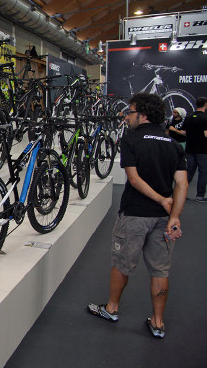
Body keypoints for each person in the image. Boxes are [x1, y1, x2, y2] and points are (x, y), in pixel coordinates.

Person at [88, 93, 188, 339]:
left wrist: (161, 199)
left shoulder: (131, 139)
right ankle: (158, 322)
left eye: (130, 112)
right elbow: (182, 184)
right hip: (163, 219)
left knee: (122, 264)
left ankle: (112, 308)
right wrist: (174, 215)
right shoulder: (173, 144)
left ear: (142, 115)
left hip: (134, 214)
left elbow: (133, 179)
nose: (126, 117)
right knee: (160, 270)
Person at [179, 97, 207, 201]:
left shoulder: (189, 117)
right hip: (203, 150)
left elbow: (183, 132)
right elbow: (206, 134)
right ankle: (200, 195)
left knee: (189, 172)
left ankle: (181, 194)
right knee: (203, 172)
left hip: (190, 149)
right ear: (205, 104)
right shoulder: (205, 118)